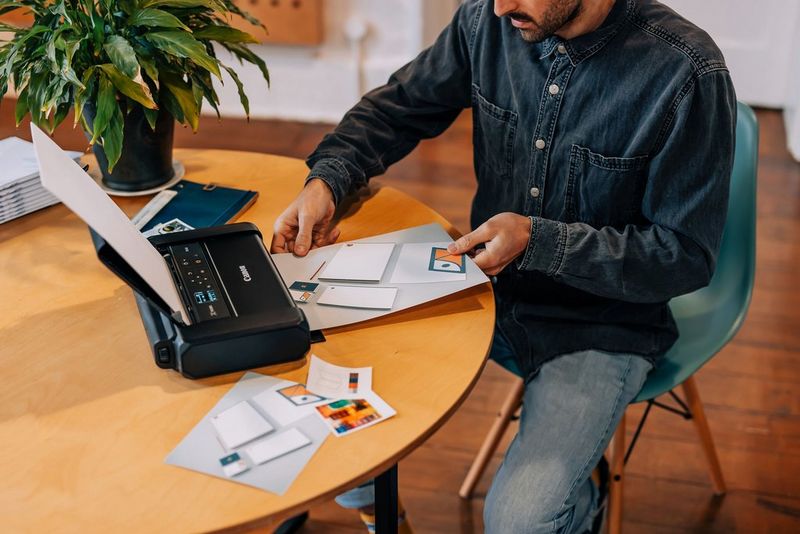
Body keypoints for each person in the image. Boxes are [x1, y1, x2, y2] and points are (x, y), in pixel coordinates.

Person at [271, 0, 736, 532]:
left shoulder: (685, 70)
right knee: (317, 382)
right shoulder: (486, 23)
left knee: (523, 521)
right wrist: (327, 179)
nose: (500, 6)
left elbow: (684, 257)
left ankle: (586, 497)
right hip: (481, 288)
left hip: (603, 322)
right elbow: (396, 109)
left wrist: (539, 240)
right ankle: (383, 514)